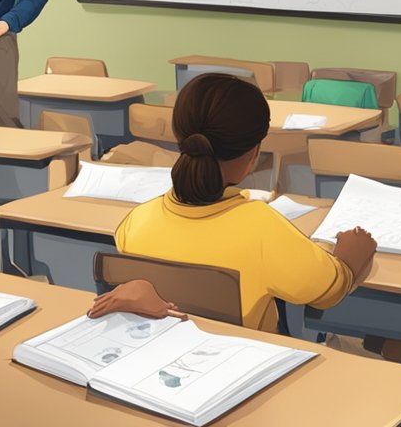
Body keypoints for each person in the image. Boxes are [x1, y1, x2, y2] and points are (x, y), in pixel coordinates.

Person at [115, 73, 377, 331]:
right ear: (253, 153)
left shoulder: (136, 221)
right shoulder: (261, 227)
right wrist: (351, 257)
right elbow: (326, 291)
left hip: (164, 356)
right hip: (242, 360)